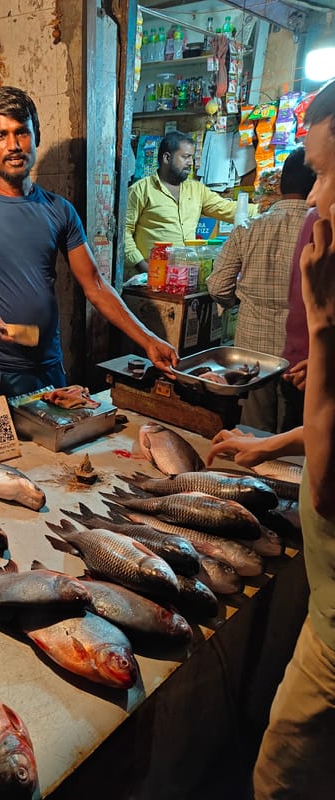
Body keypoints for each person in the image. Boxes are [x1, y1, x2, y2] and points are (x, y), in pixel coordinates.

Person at [207, 78, 335, 800]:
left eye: (323, 175)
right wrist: (262, 450)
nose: (314, 201)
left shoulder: (255, 231)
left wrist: (319, 319)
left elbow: (327, 476)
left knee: (279, 782)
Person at [0, 86, 178, 411]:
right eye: (0, 135)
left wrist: (148, 340)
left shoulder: (60, 210)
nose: (13, 145)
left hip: (50, 370)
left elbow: (97, 286)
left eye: (21, 133)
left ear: (36, 136)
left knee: (54, 460)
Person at [207, 147, 316, 432]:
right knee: (296, 438)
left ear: (280, 185)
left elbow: (218, 285)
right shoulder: (323, 229)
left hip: (251, 355)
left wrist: (241, 303)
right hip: (305, 361)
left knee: (254, 435)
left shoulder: (248, 228)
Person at [124, 130, 252, 277]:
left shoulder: (197, 190)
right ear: (167, 157)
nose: (190, 163)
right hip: (149, 277)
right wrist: (144, 267)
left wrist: (267, 209)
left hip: (183, 276)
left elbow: (228, 209)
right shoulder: (141, 190)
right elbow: (124, 232)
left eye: (191, 157)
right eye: (185, 157)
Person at [280, 207, 319, 431]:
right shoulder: (314, 217)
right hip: (303, 369)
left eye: (323, 177)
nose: (311, 196)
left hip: (308, 369)